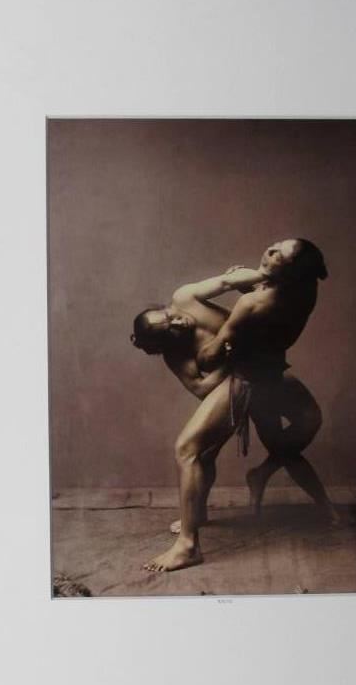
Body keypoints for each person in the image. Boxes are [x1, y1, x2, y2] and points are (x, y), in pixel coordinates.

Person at [133, 239, 334, 572]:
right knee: (192, 450)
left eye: (169, 315)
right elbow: (201, 386)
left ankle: (264, 475)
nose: (177, 322)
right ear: (165, 343)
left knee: (306, 422)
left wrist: (261, 276)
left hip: (264, 372)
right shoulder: (175, 354)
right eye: (169, 330)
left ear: (167, 306)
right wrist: (231, 358)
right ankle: (188, 542)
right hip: (237, 381)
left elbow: (227, 282)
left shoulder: (186, 297)